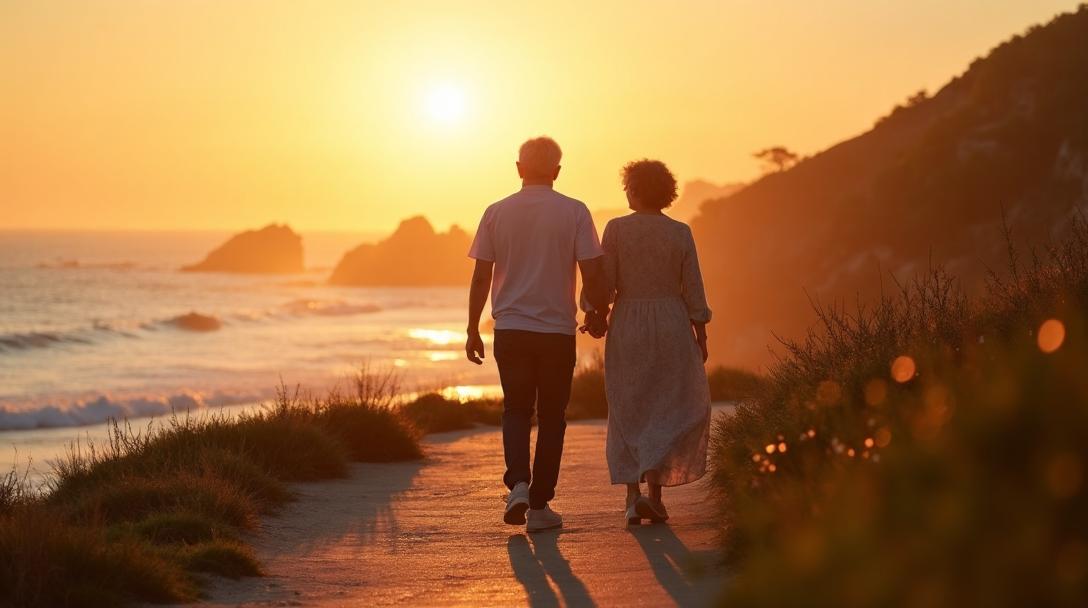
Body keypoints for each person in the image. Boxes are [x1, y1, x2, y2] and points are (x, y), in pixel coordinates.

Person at [465, 137, 610, 533]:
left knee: (515, 408)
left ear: (519, 169)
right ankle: (540, 504)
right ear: (557, 172)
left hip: (510, 329)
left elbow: (481, 276)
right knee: (551, 416)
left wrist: (473, 328)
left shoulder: (496, 212)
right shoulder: (575, 211)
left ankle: (519, 485)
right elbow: (593, 271)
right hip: (556, 331)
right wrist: (598, 312)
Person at [591, 159, 712, 526]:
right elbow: (693, 287)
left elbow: (605, 283)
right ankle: (655, 498)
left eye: (628, 187)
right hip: (672, 323)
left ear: (636, 190)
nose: (625, 192)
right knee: (666, 406)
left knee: (628, 406)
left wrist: (594, 314)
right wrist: (701, 333)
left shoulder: (616, 229)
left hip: (628, 322)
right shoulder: (680, 232)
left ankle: (632, 498)